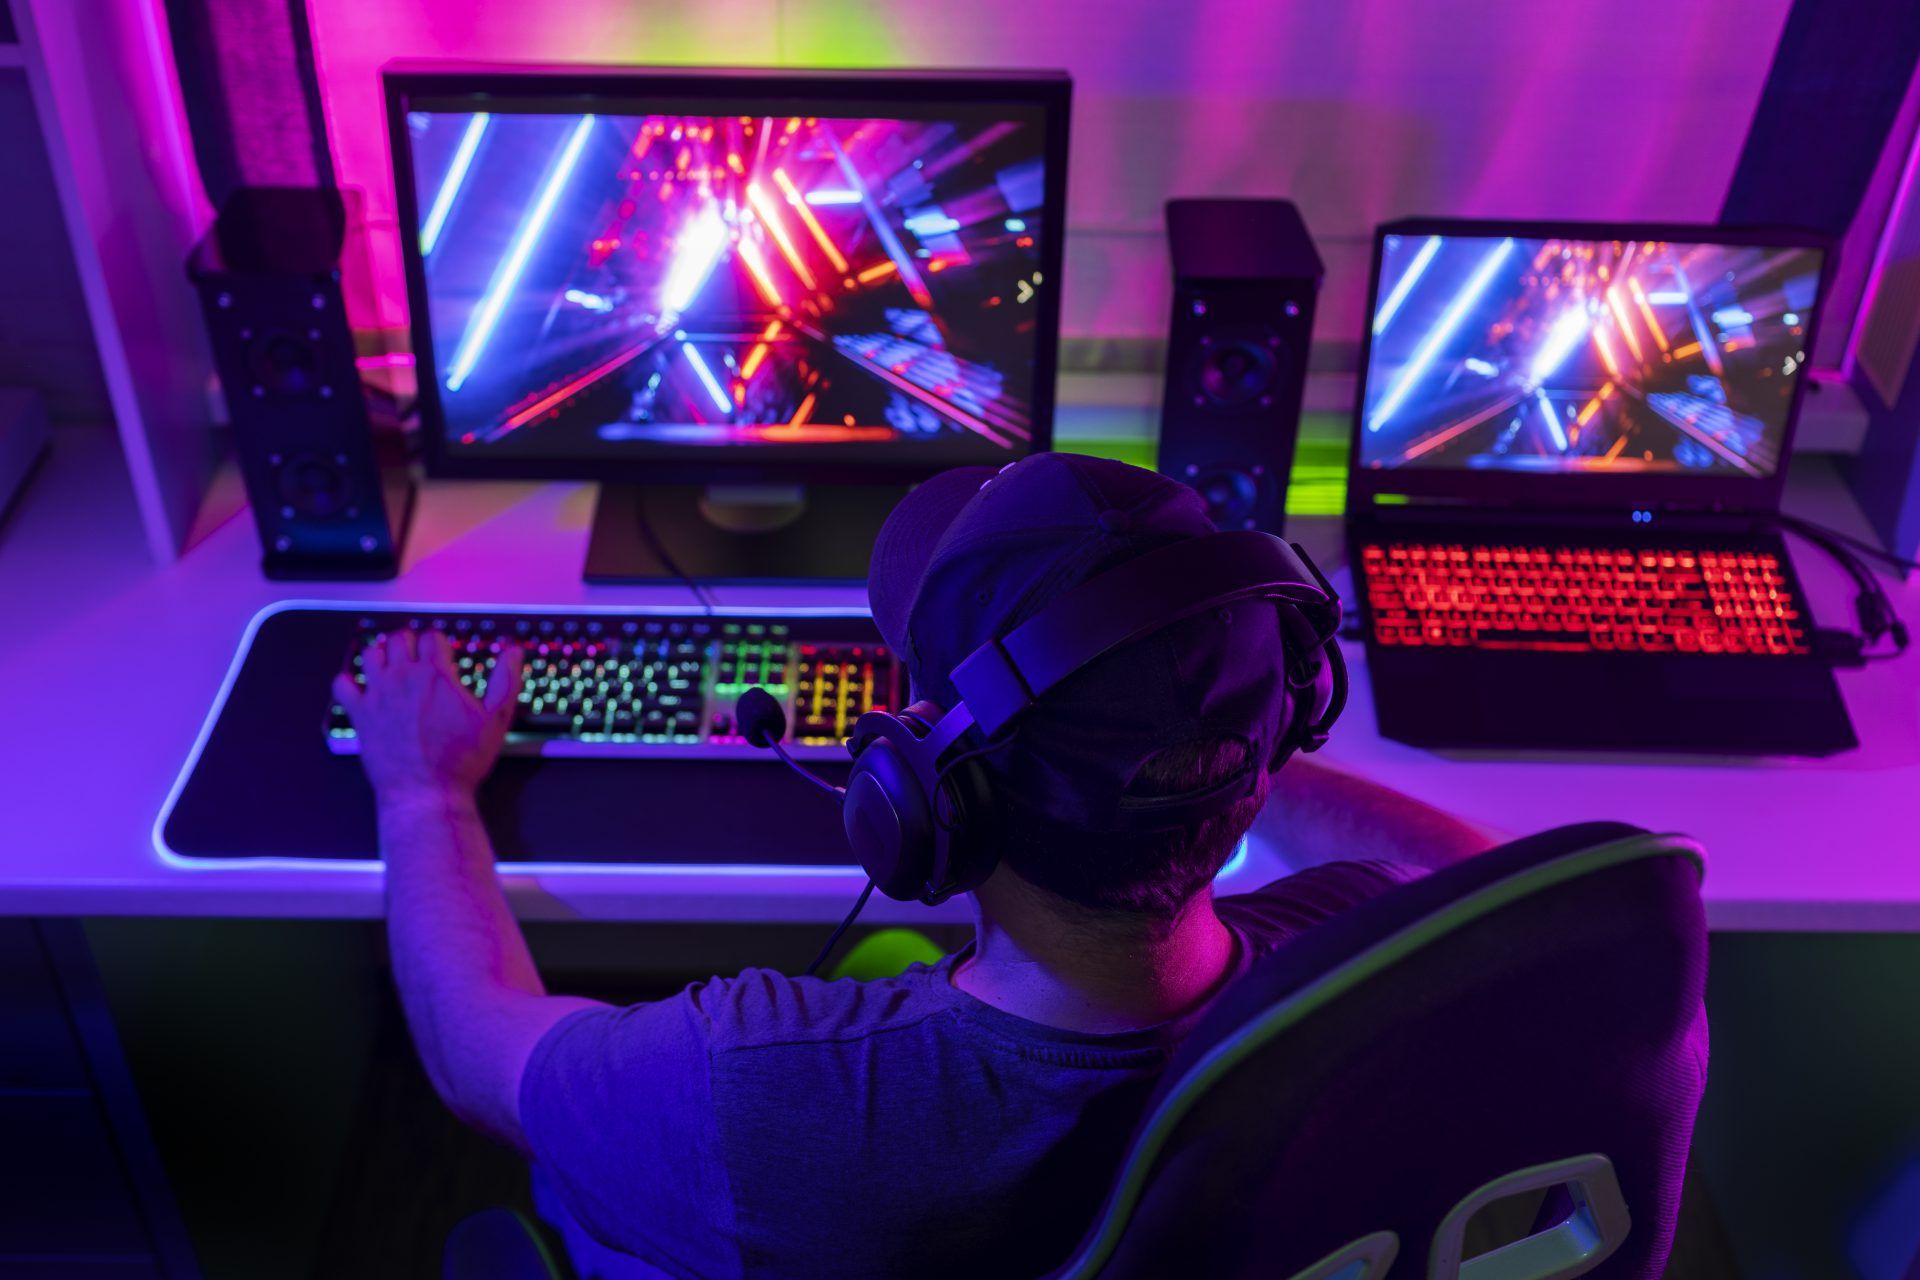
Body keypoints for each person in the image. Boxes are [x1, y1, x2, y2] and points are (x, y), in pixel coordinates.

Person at [335, 454, 1492, 1280]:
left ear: (929, 790)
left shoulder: (754, 1082)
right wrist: (1206, 727)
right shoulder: (1380, 961)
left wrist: (423, 788)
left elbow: (470, 1047)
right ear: (1289, 713)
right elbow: (1473, 866)